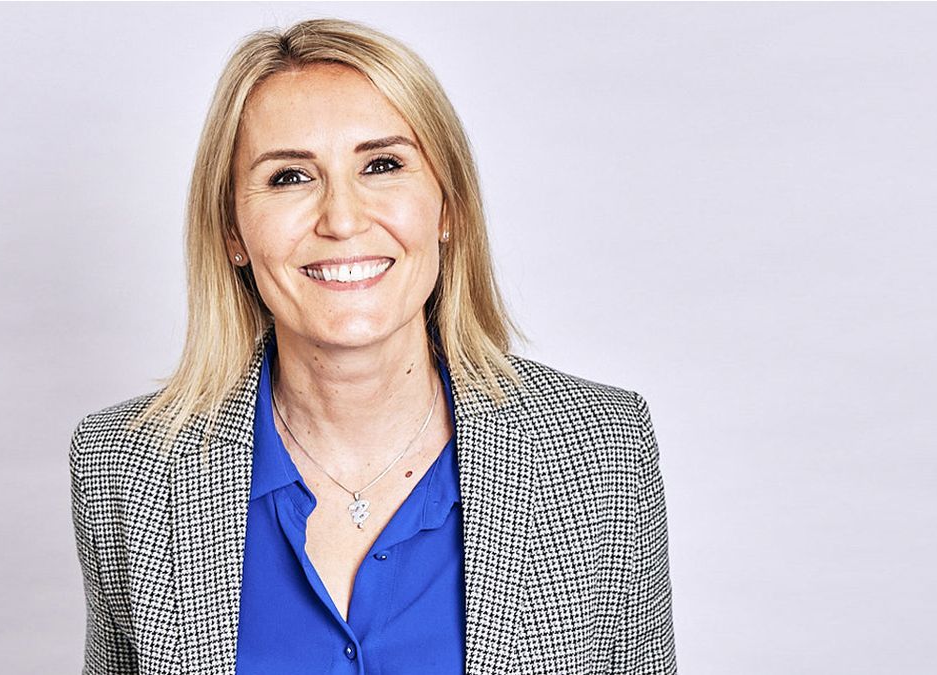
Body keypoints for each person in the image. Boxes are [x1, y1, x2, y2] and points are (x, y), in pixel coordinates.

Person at [68, 17, 677, 675]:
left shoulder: (603, 453)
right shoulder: (123, 467)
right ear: (233, 231)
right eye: (289, 177)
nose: (343, 219)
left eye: (382, 164)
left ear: (448, 207)